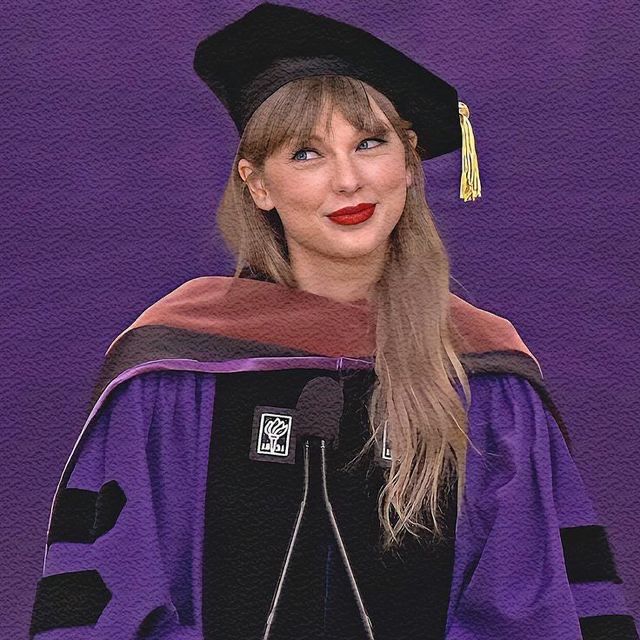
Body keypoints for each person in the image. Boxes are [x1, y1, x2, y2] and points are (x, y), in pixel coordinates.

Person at [29, 3, 638, 639]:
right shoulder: (174, 372)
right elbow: (106, 601)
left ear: (407, 161)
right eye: (306, 153)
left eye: (369, 143)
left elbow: (534, 602)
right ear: (257, 184)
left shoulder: (485, 375)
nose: (348, 180)